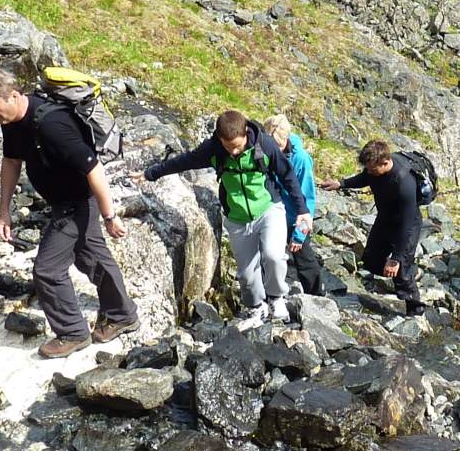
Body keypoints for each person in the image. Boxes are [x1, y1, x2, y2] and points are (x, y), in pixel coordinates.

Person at [0, 68, 138, 358]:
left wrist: (109, 216)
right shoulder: (11, 120)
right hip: (64, 201)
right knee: (91, 257)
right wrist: (4, 211)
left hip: (75, 202)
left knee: (47, 270)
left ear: (13, 96)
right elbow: (12, 160)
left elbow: (93, 168)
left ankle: (73, 333)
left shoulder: (52, 124)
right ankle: (122, 315)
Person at [141, 109, 311, 326]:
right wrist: (150, 174)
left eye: (238, 146)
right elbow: (183, 162)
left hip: (269, 209)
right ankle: (256, 308)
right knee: (247, 273)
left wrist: (302, 210)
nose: (234, 152)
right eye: (228, 147)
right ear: (220, 139)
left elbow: (287, 176)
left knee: (274, 255)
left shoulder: (264, 145)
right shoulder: (212, 150)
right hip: (237, 217)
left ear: (246, 133)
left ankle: (277, 298)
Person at [320, 140, 423, 315]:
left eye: (373, 169)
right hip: (385, 218)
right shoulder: (373, 170)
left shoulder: (405, 183)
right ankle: (400, 273)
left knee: (402, 271)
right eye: (367, 168)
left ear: (385, 162)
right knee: (371, 260)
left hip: (407, 224)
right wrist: (342, 183)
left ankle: (416, 309)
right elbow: (364, 178)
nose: (370, 172)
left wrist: (396, 259)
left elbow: (406, 224)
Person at [263, 114, 325, 299]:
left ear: (286, 139)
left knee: (304, 258)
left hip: (294, 217)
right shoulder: (265, 150)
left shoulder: (301, 159)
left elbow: (308, 199)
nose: (274, 151)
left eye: (278, 146)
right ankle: (268, 294)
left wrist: (299, 234)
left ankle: (317, 297)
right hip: (272, 212)